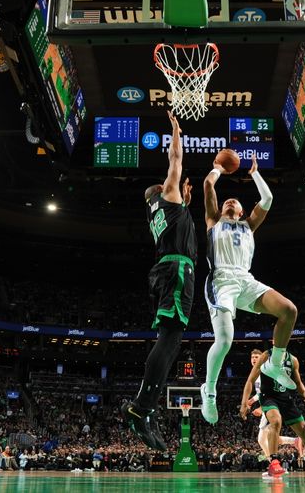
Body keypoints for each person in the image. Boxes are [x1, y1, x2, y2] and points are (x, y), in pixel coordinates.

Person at [201, 153, 298, 424]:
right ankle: (209, 391)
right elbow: (208, 187)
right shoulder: (213, 222)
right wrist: (217, 169)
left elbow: (267, 200)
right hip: (221, 281)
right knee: (224, 341)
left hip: (246, 280)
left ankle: (275, 365)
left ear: (242, 211)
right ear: (220, 209)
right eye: (226, 201)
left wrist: (255, 173)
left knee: (289, 310)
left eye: (235, 201)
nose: (230, 201)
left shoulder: (249, 226)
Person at [122, 110, 196, 451]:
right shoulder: (168, 195)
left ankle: (144, 408)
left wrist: (186, 201)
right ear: (163, 190)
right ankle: (141, 409)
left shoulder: (161, 211)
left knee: (170, 339)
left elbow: (179, 221)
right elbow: (176, 158)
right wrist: (176, 131)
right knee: (170, 339)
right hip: (177, 270)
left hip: (164, 270)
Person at [240, 348, 305, 479]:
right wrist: (244, 403)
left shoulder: (293, 360)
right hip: (268, 397)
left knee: (303, 430)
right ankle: (274, 462)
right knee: (275, 422)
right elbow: (250, 381)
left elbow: (298, 383)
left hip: (285, 398)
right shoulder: (266, 356)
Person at [245, 349, 302, 460]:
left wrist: (261, 408)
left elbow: (271, 393)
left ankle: (273, 462)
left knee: (262, 439)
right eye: (252, 357)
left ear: (263, 358)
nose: (254, 359)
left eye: (257, 357)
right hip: (266, 405)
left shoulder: (266, 371)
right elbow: (260, 392)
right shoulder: (257, 372)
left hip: (270, 406)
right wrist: (252, 400)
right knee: (265, 437)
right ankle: (293, 441)